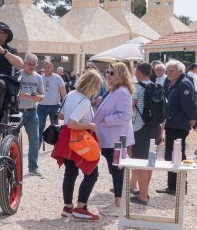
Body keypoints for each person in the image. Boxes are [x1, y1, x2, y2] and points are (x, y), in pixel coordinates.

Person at [51, 70, 104, 220]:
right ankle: (81, 208)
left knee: (71, 172)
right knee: (92, 173)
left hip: (66, 137)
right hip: (79, 138)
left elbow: (61, 116)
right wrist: (90, 125)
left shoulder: (71, 94)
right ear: (93, 85)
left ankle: (68, 207)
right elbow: (73, 123)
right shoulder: (85, 100)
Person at [93, 62, 135, 216]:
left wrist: (106, 120)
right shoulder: (113, 90)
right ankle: (118, 202)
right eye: (107, 72)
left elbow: (126, 115)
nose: (108, 75)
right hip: (111, 138)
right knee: (115, 169)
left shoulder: (122, 92)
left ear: (120, 75)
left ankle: (119, 204)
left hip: (117, 139)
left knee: (117, 169)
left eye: (111, 73)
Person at [156, 60, 197, 195]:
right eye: (167, 71)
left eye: (171, 71)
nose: (168, 73)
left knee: (177, 156)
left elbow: (189, 105)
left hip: (179, 126)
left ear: (180, 71)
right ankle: (172, 186)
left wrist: (195, 120)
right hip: (172, 124)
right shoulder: (174, 83)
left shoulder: (183, 83)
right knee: (170, 156)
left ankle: (180, 187)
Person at [130, 62, 162, 205]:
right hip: (155, 128)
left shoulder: (136, 88)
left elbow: (130, 107)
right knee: (149, 162)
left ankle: (142, 196)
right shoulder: (156, 87)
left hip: (140, 127)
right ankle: (145, 191)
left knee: (140, 163)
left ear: (137, 72)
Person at [19, 54, 45, 176]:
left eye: (34, 64)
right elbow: (13, 92)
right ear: (24, 63)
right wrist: (23, 95)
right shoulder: (18, 74)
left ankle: (33, 167)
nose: (31, 66)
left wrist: (39, 97)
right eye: (29, 64)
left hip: (31, 111)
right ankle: (9, 165)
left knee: (35, 139)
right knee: (10, 138)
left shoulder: (39, 77)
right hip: (17, 111)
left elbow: (43, 95)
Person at [39, 60, 67, 147]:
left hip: (54, 107)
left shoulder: (58, 78)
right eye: (45, 67)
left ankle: (57, 147)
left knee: (55, 128)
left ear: (52, 68)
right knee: (39, 127)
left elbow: (63, 93)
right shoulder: (40, 77)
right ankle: (37, 146)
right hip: (41, 107)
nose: (47, 69)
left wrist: (64, 107)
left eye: (49, 67)